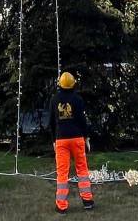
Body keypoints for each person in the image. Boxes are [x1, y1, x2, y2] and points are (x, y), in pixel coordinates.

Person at [49, 72, 93, 214]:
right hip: (77, 139)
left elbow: (51, 122)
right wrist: (86, 138)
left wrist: (53, 140)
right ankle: (87, 202)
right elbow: (82, 121)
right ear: (73, 84)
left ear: (60, 84)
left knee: (62, 173)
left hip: (61, 139)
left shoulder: (54, 100)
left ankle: (61, 206)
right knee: (82, 170)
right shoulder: (78, 99)